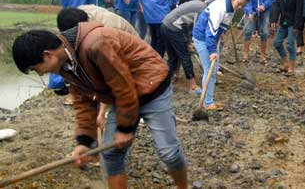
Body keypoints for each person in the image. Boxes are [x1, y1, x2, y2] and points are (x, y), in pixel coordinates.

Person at [12, 24, 188, 189]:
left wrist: (125, 128)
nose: (41, 73)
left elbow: (123, 86)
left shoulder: (96, 44)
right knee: (111, 154)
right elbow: (83, 101)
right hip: (122, 95)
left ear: (48, 54)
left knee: (168, 153)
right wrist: (84, 142)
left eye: (37, 68)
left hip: (152, 86)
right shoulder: (65, 64)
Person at [192, 0, 250, 111]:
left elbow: (222, 25)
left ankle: (208, 101)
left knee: (213, 72)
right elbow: (210, 32)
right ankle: (207, 103)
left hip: (211, 38)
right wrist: (212, 51)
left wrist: (222, 32)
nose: (240, 7)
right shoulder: (220, 8)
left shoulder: (231, 7)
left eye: (243, 6)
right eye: (239, 4)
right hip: (203, 38)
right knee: (210, 71)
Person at [161, 0, 216, 93]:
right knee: (185, 55)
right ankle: (192, 86)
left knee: (174, 55)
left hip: (165, 24)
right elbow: (195, 28)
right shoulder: (202, 8)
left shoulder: (197, 3)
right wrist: (189, 42)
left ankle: (171, 78)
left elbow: (187, 24)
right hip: (173, 27)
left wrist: (188, 41)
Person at [270, 0, 303, 75]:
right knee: (277, 43)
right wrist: (273, 19)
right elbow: (277, 5)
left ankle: (292, 68)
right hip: (283, 20)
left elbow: (299, 8)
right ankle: (285, 63)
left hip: (293, 21)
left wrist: (298, 26)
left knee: (289, 44)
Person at [242, 0, 276, 64]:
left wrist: (264, 5)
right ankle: (245, 54)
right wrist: (249, 11)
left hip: (265, 11)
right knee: (248, 31)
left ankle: (262, 56)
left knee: (264, 32)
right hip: (251, 9)